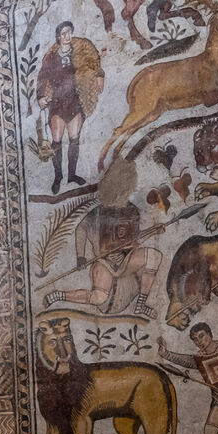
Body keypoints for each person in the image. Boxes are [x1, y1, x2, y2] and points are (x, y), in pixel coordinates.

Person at [44, 195, 161, 318]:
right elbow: (81, 228)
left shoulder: (131, 211)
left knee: (154, 256)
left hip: (126, 262)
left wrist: (153, 231)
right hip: (105, 262)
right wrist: (80, 256)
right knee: (98, 297)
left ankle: (141, 304)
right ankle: (60, 295)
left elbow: (135, 239)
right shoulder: (99, 212)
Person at [36, 21, 104, 193]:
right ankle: (58, 176)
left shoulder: (78, 52)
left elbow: (93, 62)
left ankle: (72, 175)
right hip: (57, 103)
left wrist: (99, 75)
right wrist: (41, 96)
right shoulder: (51, 57)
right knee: (57, 140)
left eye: (69, 32)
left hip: (75, 100)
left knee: (74, 139)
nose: (68, 36)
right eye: (64, 33)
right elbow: (42, 77)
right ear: (58, 37)